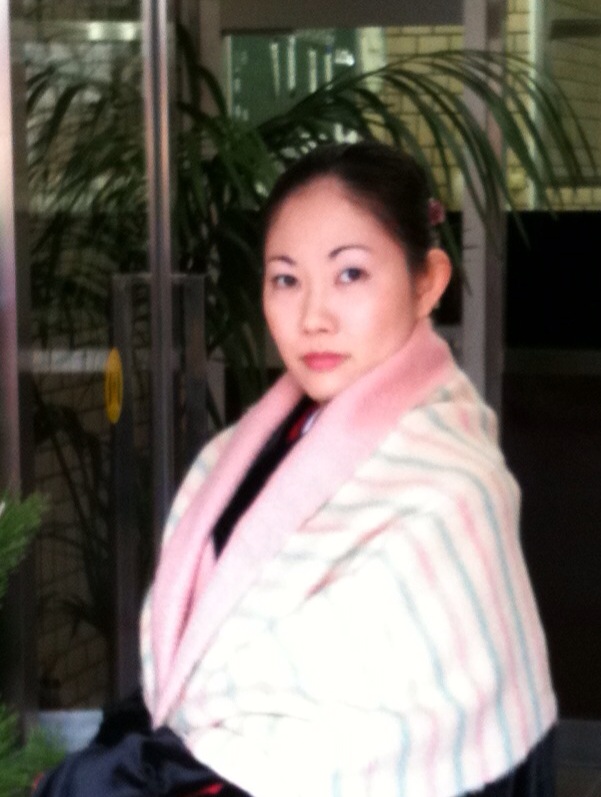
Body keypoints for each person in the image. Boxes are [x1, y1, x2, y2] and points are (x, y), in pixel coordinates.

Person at [36, 142, 556, 796]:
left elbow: (358, 738)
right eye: (286, 279)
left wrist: (117, 777)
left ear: (426, 281)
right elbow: (198, 657)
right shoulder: (244, 450)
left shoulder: (453, 490)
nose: (313, 317)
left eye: (350, 274)